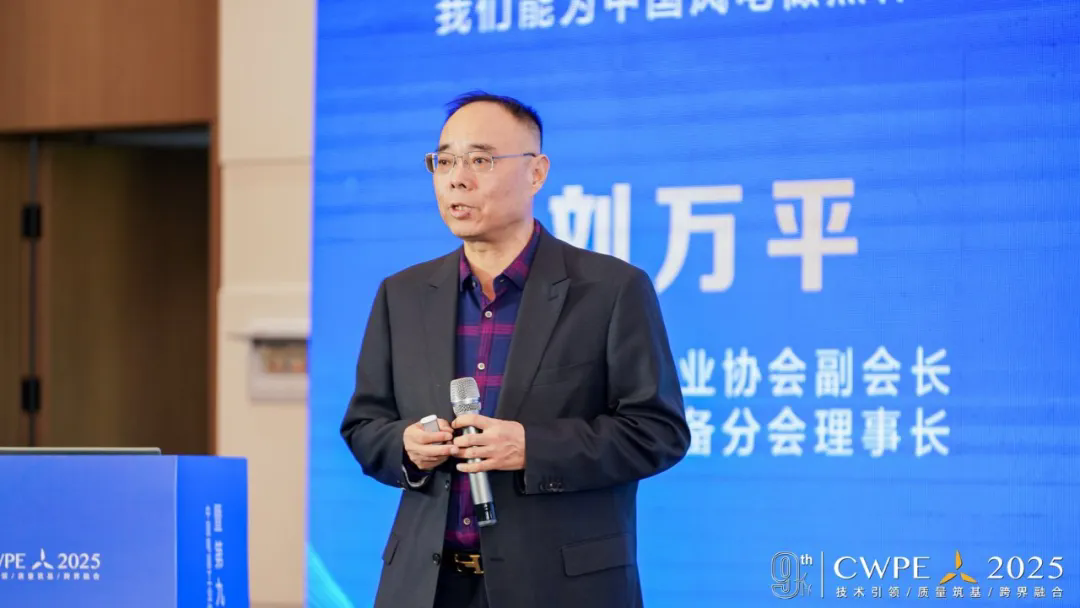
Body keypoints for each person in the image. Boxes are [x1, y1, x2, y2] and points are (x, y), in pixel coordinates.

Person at [340, 91, 690, 608]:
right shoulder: (403, 294)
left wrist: (532, 448)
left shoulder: (611, 289)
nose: (457, 179)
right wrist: (406, 447)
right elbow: (364, 425)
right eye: (444, 161)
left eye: (480, 160)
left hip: (562, 588)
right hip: (425, 587)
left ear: (536, 172)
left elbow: (657, 432)